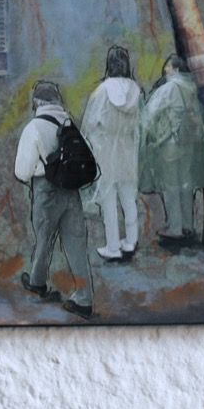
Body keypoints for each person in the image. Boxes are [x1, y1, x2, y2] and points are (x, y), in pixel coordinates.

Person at [13, 80, 94, 319]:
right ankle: (84, 299)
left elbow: (22, 172)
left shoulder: (34, 127)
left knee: (44, 239)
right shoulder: (68, 122)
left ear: (37, 102)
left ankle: (37, 282)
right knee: (76, 245)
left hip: (46, 190)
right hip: (71, 191)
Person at [140, 54, 204, 246]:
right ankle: (187, 225)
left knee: (171, 185)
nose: (165, 69)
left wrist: (149, 134)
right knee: (186, 184)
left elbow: (150, 113)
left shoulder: (170, 87)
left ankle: (175, 227)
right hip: (189, 142)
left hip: (171, 143)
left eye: (168, 66)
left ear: (175, 69)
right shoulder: (191, 87)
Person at [80, 45, 144, 261]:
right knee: (128, 195)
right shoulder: (135, 90)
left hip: (105, 148)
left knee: (108, 197)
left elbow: (90, 122)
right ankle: (131, 241)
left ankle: (113, 246)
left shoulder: (102, 91)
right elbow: (140, 121)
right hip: (128, 146)